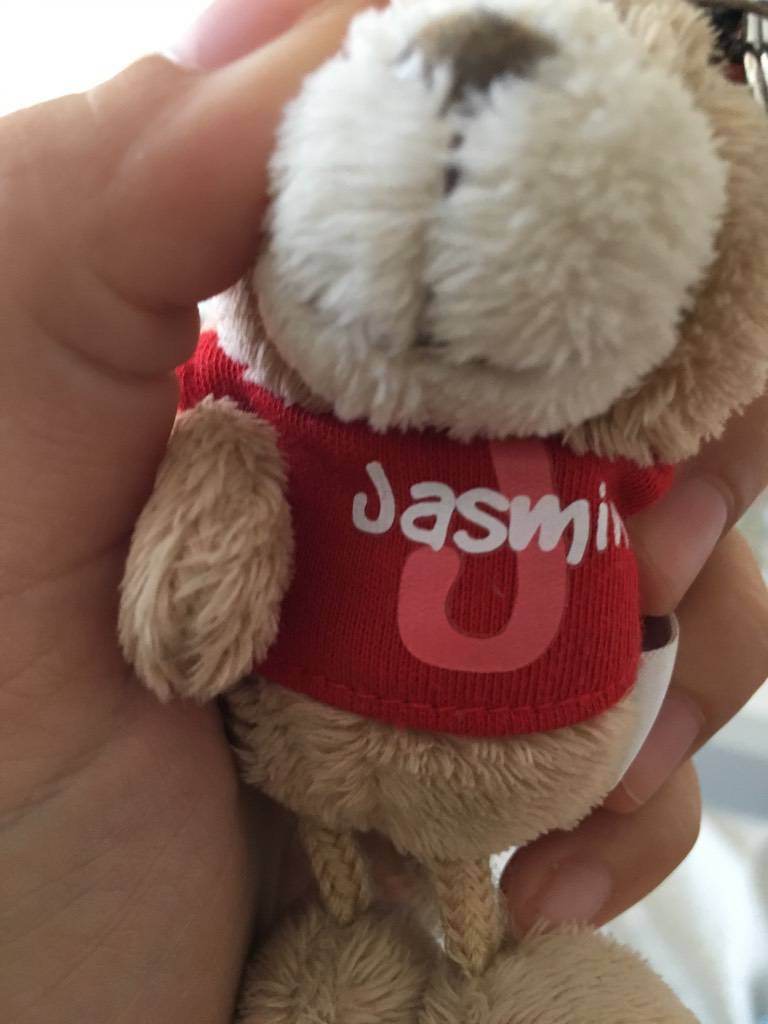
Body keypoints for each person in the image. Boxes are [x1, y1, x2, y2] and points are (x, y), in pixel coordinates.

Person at [0, 0, 766, 1019]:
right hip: (290, 765)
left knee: (497, 918)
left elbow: (666, 476)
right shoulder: (251, 411)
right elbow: (201, 534)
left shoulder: (611, 446)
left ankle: (483, 961)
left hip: (514, 776)